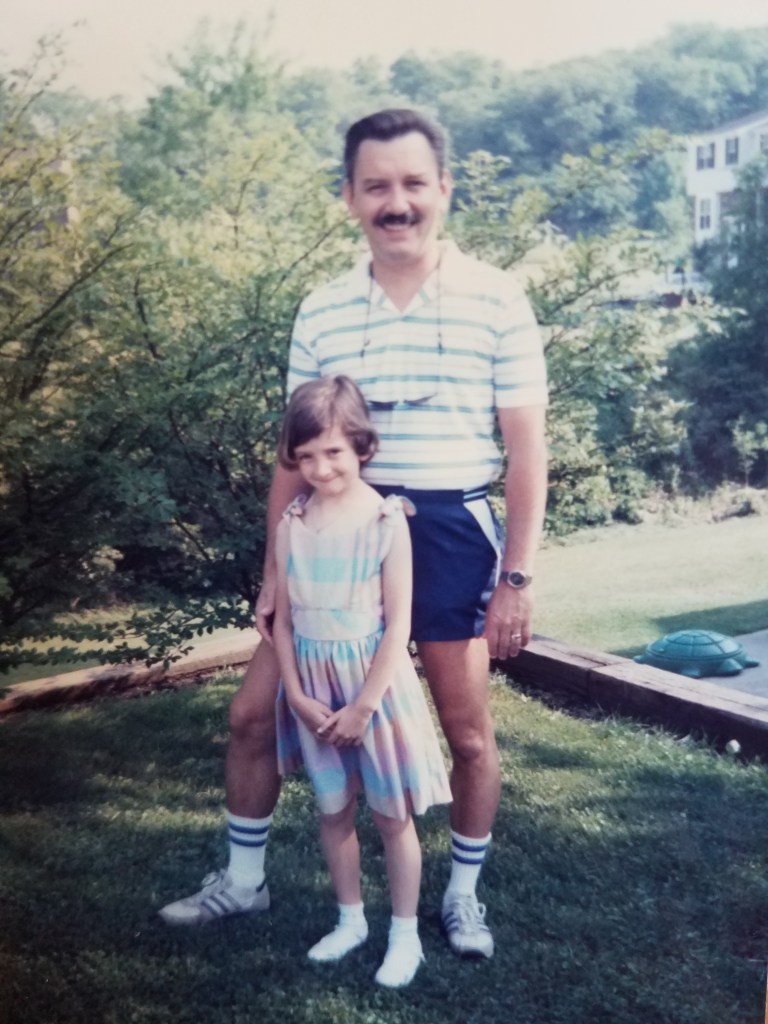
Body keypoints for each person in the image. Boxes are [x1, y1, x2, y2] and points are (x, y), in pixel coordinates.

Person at [159, 107, 549, 961]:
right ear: (349, 197)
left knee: (467, 732)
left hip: (447, 529)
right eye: (376, 186)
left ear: (444, 188)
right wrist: (274, 568)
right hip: (334, 530)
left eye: (413, 183)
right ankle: (245, 881)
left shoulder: (497, 297)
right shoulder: (325, 307)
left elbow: (527, 451)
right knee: (250, 714)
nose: (396, 202)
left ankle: (463, 897)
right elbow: (294, 452)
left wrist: (517, 577)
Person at [271, 375, 451, 987]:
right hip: (313, 688)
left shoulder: (385, 520)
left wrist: (364, 706)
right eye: (306, 456)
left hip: (374, 689)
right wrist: (296, 694)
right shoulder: (292, 523)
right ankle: (350, 920)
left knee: (392, 815)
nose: (320, 468)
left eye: (333, 452)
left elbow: (399, 624)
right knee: (333, 809)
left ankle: (405, 935)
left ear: (361, 446)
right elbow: (284, 623)